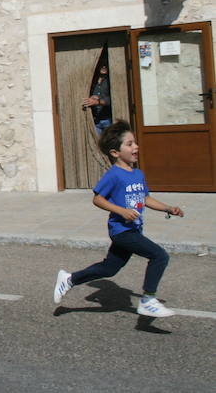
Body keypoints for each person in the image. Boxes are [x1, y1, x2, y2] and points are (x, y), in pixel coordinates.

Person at [53, 120, 184, 317]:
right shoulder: (114, 175)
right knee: (159, 256)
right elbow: (98, 199)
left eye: (135, 143)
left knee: (109, 268)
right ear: (115, 153)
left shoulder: (138, 174)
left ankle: (69, 279)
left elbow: (145, 198)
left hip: (134, 229)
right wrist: (121, 211)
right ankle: (148, 299)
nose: (136, 147)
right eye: (129, 144)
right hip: (122, 231)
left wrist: (168, 208)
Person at [83, 63, 112, 135]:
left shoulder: (111, 80)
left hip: (108, 119)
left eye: (106, 64)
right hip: (94, 119)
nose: (104, 66)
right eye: (102, 63)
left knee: (109, 143)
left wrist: (98, 101)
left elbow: (114, 99)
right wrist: (92, 97)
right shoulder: (91, 80)